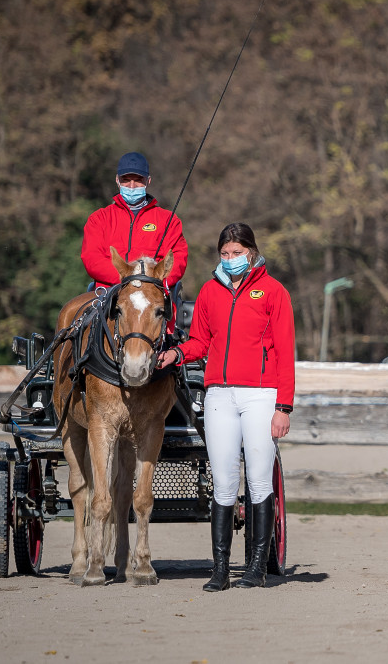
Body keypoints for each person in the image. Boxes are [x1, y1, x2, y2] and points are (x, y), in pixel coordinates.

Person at [157, 223, 295, 590]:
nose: (231, 259)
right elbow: (200, 341)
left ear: (252, 252)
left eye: (237, 253)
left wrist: (283, 407)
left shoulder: (273, 291)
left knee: (259, 481)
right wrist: (177, 353)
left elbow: (285, 351)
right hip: (219, 394)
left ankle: (256, 567)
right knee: (223, 482)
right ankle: (220, 570)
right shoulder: (209, 291)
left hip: (261, 396)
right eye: (225, 253)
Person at [82, 152, 188, 290]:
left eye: (138, 180)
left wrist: (154, 281)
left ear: (148, 181)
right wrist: (129, 278)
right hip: (109, 291)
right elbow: (92, 259)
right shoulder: (98, 219)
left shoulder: (169, 220)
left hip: (154, 290)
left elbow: (178, 257)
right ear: (117, 180)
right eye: (126, 180)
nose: (132, 186)